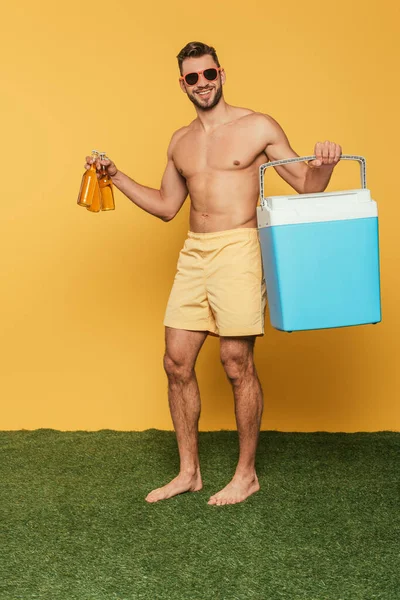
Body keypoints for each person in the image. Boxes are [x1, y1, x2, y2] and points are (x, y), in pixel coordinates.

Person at [85, 41, 342, 506]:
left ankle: (246, 475)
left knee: (235, 363)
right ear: (181, 83)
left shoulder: (258, 126)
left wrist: (323, 165)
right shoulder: (180, 141)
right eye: (192, 78)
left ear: (221, 73)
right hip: (194, 253)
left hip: (240, 249)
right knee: (176, 362)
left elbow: (306, 185)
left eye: (208, 74)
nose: (202, 83)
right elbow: (166, 207)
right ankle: (190, 472)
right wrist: (116, 176)